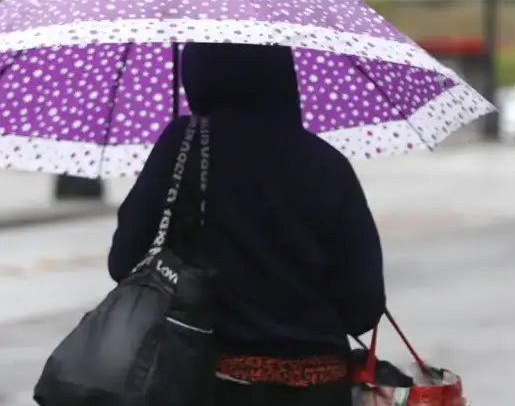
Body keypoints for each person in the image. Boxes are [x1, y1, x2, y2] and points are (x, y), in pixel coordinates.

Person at [108, 42, 386, 406]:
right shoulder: (328, 164)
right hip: (320, 389)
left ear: (199, 73)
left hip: (211, 384)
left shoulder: (185, 144)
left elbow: (125, 261)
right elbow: (364, 307)